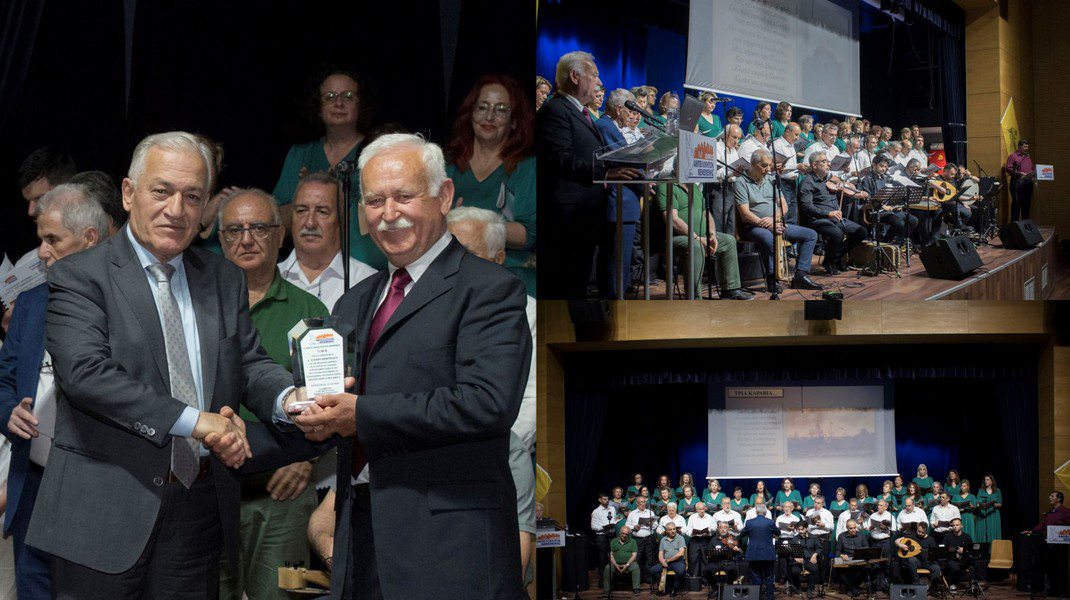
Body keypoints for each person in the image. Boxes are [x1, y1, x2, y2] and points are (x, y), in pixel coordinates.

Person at [25, 132, 314, 597]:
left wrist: (289, 399)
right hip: (102, 515)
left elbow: (248, 362)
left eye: (193, 196)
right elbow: (86, 375)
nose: (176, 209)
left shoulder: (222, 278)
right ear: (128, 193)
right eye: (162, 191)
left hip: (197, 514)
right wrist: (196, 421)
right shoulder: (80, 275)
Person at [288, 133, 531, 598]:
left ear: (444, 196)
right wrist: (296, 412)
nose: (388, 213)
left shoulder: (489, 289)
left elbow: (487, 403)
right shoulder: (356, 301)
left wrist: (360, 414)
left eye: (403, 196)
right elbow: (335, 402)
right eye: (374, 200)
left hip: (448, 549)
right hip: (360, 539)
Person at [216, 189, 329, 600]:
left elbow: (329, 399)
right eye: (234, 230)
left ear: (281, 235)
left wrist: (309, 459)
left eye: (259, 228)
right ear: (220, 239)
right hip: (212, 490)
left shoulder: (310, 310)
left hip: (284, 492)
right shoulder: (200, 305)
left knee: (286, 593)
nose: (246, 239)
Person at [0, 183, 109, 599]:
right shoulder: (29, 303)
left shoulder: (123, 303)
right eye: (40, 239)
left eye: (52, 240)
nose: (42, 253)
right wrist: (9, 411)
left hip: (97, 491)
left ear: (90, 238)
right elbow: (4, 380)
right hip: (33, 487)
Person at [445, 206, 537, 581]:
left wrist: (489, 444)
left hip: (499, 453)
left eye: (467, 254)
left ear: (499, 259)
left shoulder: (526, 312)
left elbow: (528, 402)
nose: (455, 265)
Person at [535, 51, 639, 299]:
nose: (599, 82)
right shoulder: (555, 110)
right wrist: (606, 172)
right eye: (594, 75)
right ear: (575, 76)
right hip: (567, 218)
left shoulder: (581, 113)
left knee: (577, 286)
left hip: (585, 215)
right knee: (563, 291)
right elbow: (560, 158)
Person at [272, 68, 386, 269]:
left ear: (361, 104)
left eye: (348, 96)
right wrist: (308, 193)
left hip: (368, 264)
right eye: (330, 96)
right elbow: (276, 225)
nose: (338, 103)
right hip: (311, 266)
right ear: (318, 105)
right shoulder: (300, 154)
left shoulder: (376, 153)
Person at [446, 74, 537, 296]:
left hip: (510, 272)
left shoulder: (528, 167)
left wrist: (471, 224)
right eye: (482, 107)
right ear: (471, 113)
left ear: (514, 121)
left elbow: (528, 234)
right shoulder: (446, 165)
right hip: (450, 271)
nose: (489, 116)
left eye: (501, 110)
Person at [278, 173, 378, 310]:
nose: (310, 223)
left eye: (322, 212)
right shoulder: (269, 279)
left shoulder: (368, 283)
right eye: (301, 211)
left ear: (344, 219)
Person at [735, 149, 823, 293]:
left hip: (774, 223)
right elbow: (745, 214)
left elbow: (784, 205)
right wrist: (768, 225)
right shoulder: (741, 182)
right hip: (753, 226)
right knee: (768, 238)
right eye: (763, 165)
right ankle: (772, 278)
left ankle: (800, 275)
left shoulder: (771, 179)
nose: (767, 169)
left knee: (810, 235)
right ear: (752, 164)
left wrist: (773, 220)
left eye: (769, 165)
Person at [654, 181, 753, 300]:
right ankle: (694, 298)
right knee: (695, 246)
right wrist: (696, 237)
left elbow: (706, 213)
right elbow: (672, 219)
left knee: (728, 241)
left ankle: (730, 290)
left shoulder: (694, 187)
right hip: (671, 237)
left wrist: (712, 234)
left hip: (699, 236)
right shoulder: (667, 186)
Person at [594, 89, 643, 298]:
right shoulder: (606, 126)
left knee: (615, 259)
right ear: (618, 109)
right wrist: (646, 178)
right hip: (620, 201)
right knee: (617, 261)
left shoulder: (609, 125)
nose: (631, 116)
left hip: (624, 202)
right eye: (628, 111)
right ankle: (615, 306)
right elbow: (625, 160)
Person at [798, 151, 867, 275]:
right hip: (817, 219)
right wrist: (828, 213)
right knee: (837, 235)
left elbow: (842, 199)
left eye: (828, 161)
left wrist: (855, 196)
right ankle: (830, 262)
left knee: (861, 232)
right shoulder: (807, 182)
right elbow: (806, 207)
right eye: (824, 162)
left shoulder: (830, 181)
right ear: (814, 165)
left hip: (834, 218)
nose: (828, 164)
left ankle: (835, 258)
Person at [857, 154, 918, 244]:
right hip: (875, 212)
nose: (884, 169)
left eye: (886, 167)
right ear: (874, 165)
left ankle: (898, 244)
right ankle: (886, 243)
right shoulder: (868, 179)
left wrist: (896, 205)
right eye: (881, 166)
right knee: (899, 223)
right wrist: (883, 206)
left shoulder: (885, 178)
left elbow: (890, 196)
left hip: (890, 210)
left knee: (913, 220)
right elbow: (867, 199)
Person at [741, 503, 779, 600]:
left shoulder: (749, 522)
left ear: (756, 511)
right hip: (768, 554)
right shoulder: (770, 522)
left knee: (756, 576)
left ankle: (757, 596)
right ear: (765, 512)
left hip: (754, 553)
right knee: (769, 577)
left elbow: (742, 534)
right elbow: (778, 533)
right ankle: (769, 597)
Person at [650, 521, 687, 596]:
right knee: (652, 570)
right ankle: (666, 586)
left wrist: (668, 560)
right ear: (666, 531)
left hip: (678, 562)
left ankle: (675, 588)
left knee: (680, 571)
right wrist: (662, 561)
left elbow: (681, 553)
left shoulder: (680, 538)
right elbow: (660, 553)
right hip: (666, 562)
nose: (673, 531)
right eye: (670, 529)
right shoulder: (663, 540)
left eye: (674, 529)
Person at [626, 495, 657, 583]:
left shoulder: (650, 512)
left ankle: (649, 578)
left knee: (650, 559)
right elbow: (627, 525)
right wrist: (634, 527)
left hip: (649, 538)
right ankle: (638, 579)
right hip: (637, 539)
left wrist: (651, 524)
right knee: (638, 559)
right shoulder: (632, 514)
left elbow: (656, 524)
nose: (643, 504)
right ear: (637, 503)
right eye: (641, 502)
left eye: (644, 502)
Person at [604, 526, 641, 597]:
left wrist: (627, 564)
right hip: (615, 563)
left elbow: (634, 555)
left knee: (636, 567)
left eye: (626, 534)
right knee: (607, 568)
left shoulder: (632, 541)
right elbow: (610, 554)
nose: (624, 535)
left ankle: (636, 588)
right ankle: (606, 590)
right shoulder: (613, 541)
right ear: (619, 533)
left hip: (629, 564)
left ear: (629, 534)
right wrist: (615, 564)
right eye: (623, 533)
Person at [835, 520, 869, 597]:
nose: (853, 530)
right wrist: (842, 555)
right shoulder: (841, 536)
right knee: (837, 570)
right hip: (847, 559)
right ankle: (854, 588)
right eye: (851, 528)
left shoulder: (861, 535)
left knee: (868, 567)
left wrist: (862, 555)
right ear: (847, 528)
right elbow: (837, 551)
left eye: (854, 528)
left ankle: (852, 588)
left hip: (859, 559)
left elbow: (867, 548)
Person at [1005, 139, 1035, 221]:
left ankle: (1025, 224)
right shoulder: (1013, 156)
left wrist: (1033, 173)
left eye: (1027, 147)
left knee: (1026, 204)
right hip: (1017, 182)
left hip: (1027, 183)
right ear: (1019, 146)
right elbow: (1008, 168)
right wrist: (1019, 173)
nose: (1026, 149)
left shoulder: (1027, 157)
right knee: (1016, 203)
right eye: (1025, 147)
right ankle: (1014, 224)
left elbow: (1031, 168)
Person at [592, 493, 617, 586]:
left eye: (607, 499)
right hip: (602, 536)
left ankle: (612, 578)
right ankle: (602, 580)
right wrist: (604, 528)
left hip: (611, 534)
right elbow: (593, 526)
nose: (606, 501)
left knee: (612, 556)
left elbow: (613, 520)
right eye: (604, 499)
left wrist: (615, 522)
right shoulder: (596, 511)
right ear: (600, 500)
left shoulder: (612, 508)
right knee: (602, 558)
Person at [943, 518, 976, 588]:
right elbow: (944, 549)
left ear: (961, 526)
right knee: (953, 566)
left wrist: (964, 550)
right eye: (953, 525)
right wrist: (954, 552)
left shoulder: (967, 537)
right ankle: (952, 583)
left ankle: (972, 584)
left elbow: (971, 550)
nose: (955, 527)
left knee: (973, 563)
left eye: (957, 525)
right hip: (952, 560)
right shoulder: (948, 536)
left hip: (964, 559)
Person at [687, 501, 716, 579]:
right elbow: (688, 530)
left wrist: (709, 530)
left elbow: (714, 528)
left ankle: (705, 579)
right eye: (700, 509)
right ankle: (694, 578)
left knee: (705, 559)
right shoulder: (692, 517)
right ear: (696, 510)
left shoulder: (709, 517)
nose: (702, 511)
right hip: (695, 540)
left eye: (703, 508)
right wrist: (693, 532)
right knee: (694, 559)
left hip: (706, 540)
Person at [975, 474, 1003, 542]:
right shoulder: (981, 490)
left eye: (988, 480)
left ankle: (993, 548)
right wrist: (979, 505)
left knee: (993, 531)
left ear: (992, 481)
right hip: (982, 514)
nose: (986, 481)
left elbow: (1000, 503)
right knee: (982, 532)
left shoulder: (997, 490)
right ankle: (983, 548)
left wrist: (996, 505)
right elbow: (978, 502)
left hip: (993, 513)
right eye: (985, 480)